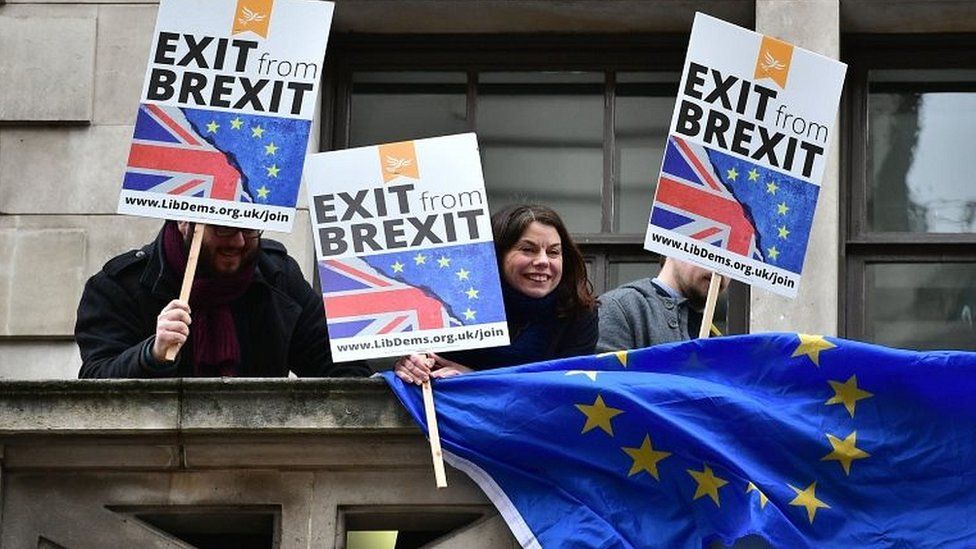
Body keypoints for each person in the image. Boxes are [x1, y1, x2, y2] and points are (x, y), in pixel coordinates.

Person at [75, 220, 369, 378]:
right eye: (225, 228)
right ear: (183, 222)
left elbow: (341, 369)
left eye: (250, 229)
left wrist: (396, 374)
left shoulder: (277, 275)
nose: (239, 241)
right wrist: (151, 354)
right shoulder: (120, 285)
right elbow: (95, 379)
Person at [394, 204, 598, 385]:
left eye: (553, 252)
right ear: (495, 255)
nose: (543, 261)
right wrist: (413, 364)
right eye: (528, 249)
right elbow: (427, 364)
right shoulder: (448, 304)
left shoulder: (578, 313)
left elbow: (567, 392)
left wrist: (477, 378)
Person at [596, 256, 729, 352]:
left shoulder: (716, 337)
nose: (721, 266)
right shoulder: (620, 308)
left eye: (733, 259)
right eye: (709, 247)